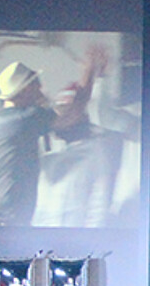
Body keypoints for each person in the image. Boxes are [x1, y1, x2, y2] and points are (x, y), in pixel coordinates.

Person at [33, 42, 121, 228]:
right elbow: (42, 202)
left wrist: (92, 75)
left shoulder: (96, 151)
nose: (62, 113)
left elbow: (98, 204)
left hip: (75, 233)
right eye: (60, 108)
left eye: (67, 108)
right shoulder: (47, 146)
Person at [0, 59, 57, 226]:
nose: (40, 87)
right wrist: (89, 75)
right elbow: (63, 119)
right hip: (9, 221)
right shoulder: (26, 118)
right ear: (26, 89)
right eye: (35, 83)